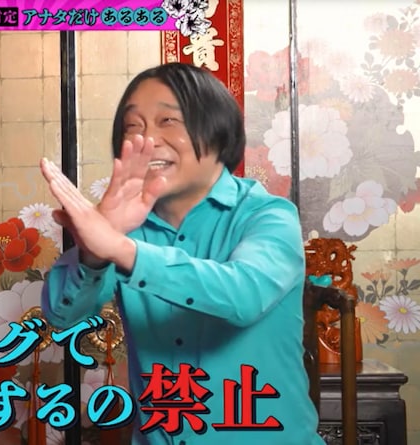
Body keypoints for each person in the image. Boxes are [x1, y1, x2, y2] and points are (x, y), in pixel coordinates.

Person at [39, 63, 323, 444]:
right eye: (133, 126)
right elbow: (63, 316)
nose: (147, 139)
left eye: (167, 121)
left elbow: (244, 295)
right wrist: (95, 248)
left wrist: (121, 248)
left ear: (217, 129)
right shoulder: (124, 227)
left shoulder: (269, 215)